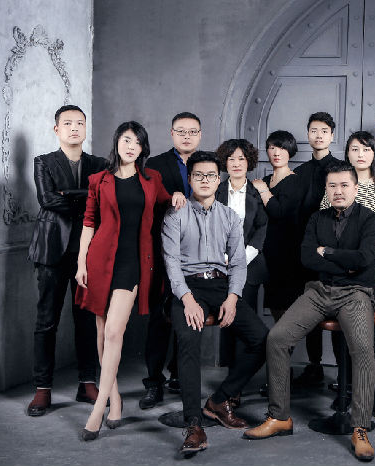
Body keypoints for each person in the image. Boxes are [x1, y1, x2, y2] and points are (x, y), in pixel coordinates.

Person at [243, 163, 375, 462]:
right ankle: (279, 417)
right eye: (332, 186)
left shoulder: (370, 219)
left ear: (356, 188)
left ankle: (360, 427)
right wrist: (343, 263)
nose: (338, 191)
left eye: (344, 185)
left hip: (355, 293)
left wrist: (327, 252)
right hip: (319, 291)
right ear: (326, 189)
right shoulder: (317, 218)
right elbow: (307, 258)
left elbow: (364, 259)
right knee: (277, 338)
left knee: (363, 351)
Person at [75, 121, 186, 440]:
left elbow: (167, 200)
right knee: (101, 332)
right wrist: (81, 263)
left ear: (142, 149)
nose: (131, 146)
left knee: (114, 331)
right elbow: (89, 223)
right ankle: (115, 398)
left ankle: (98, 409)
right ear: (117, 143)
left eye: (137, 142)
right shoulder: (99, 179)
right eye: (126, 140)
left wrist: (178, 194)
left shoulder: (152, 179)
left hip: (134, 263)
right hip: (99, 261)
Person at [162, 151, 269, 455]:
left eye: (211, 175)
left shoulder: (229, 216)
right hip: (188, 286)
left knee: (262, 340)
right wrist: (187, 299)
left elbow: (238, 262)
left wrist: (233, 298)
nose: (205, 180)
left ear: (218, 178)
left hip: (221, 285)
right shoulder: (175, 215)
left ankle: (219, 400)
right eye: (199, 175)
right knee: (188, 342)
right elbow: (171, 263)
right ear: (190, 179)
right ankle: (194, 424)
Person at [26, 105, 107, 416]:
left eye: (80, 123)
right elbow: (47, 200)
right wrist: (85, 197)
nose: (74, 128)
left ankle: (87, 383)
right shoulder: (43, 161)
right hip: (52, 252)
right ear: (56, 129)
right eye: (68, 123)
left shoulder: (99, 164)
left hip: (87, 253)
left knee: (86, 320)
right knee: (46, 320)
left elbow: (102, 202)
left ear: (85, 128)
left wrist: (68, 194)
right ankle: (42, 389)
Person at [320, 131, 375, 408]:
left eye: (366, 149)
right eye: (354, 149)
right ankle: (345, 388)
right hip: (338, 271)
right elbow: (324, 226)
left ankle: (369, 392)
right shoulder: (337, 182)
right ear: (347, 153)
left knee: (369, 334)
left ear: (374, 153)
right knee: (342, 329)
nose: (360, 154)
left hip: (369, 271)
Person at [140, 111, 204, 409]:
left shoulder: (208, 164)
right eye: (181, 131)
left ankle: (179, 374)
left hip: (198, 253)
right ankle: (153, 382)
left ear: (200, 135)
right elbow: (146, 204)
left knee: (187, 313)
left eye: (192, 132)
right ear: (171, 133)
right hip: (163, 250)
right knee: (159, 317)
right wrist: (170, 197)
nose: (187, 136)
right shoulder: (154, 165)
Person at [291, 112, 339, 387]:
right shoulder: (300, 172)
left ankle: (343, 372)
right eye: (313, 131)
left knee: (336, 308)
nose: (318, 135)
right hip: (306, 248)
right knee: (309, 307)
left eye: (324, 131)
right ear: (307, 134)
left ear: (332, 135)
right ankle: (314, 365)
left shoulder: (341, 168)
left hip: (332, 249)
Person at [215, 139, 268, 377]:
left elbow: (262, 227)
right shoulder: (216, 190)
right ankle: (231, 376)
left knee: (244, 321)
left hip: (249, 264)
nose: (236, 163)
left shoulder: (257, 191)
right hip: (219, 264)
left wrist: (243, 257)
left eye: (241, 159)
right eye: (231, 159)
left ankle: (241, 375)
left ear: (249, 162)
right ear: (225, 162)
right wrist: (222, 256)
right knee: (227, 319)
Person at [251, 130, 304, 322]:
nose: (276, 152)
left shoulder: (295, 180)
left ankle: (283, 342)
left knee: (286, 309)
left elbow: (279, 212)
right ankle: (278, 342)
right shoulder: (265, 181)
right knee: (274, 307)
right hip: (267, 253)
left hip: (287, 254)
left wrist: (263, 190)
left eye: (281, 147)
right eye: (272, 147)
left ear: (290, 150)